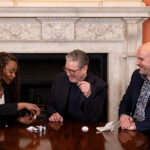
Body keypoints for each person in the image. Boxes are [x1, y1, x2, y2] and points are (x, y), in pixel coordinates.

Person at [46, 49, 107, 122]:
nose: (68, 74)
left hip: (86, 129)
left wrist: (89, 96)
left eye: (72, 71)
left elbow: (95, 118)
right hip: (61, 126)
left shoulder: (99, 85)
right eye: (66, 69)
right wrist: (53, 113)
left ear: (84, 69)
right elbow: (49, 104)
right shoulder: (59, 78)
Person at [0, 52, 40, 127]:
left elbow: (3, 115)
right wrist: (23, 105)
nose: (14, 75)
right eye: (11, 71)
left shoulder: (6, 87)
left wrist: (18, 120)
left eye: (15, 72)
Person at [119, 42, 150, 133]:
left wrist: (137, 126)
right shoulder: (137, 75)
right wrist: (123, 115)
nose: (137, 63)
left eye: (141, 59)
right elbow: (126, 100)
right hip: (133, 129)